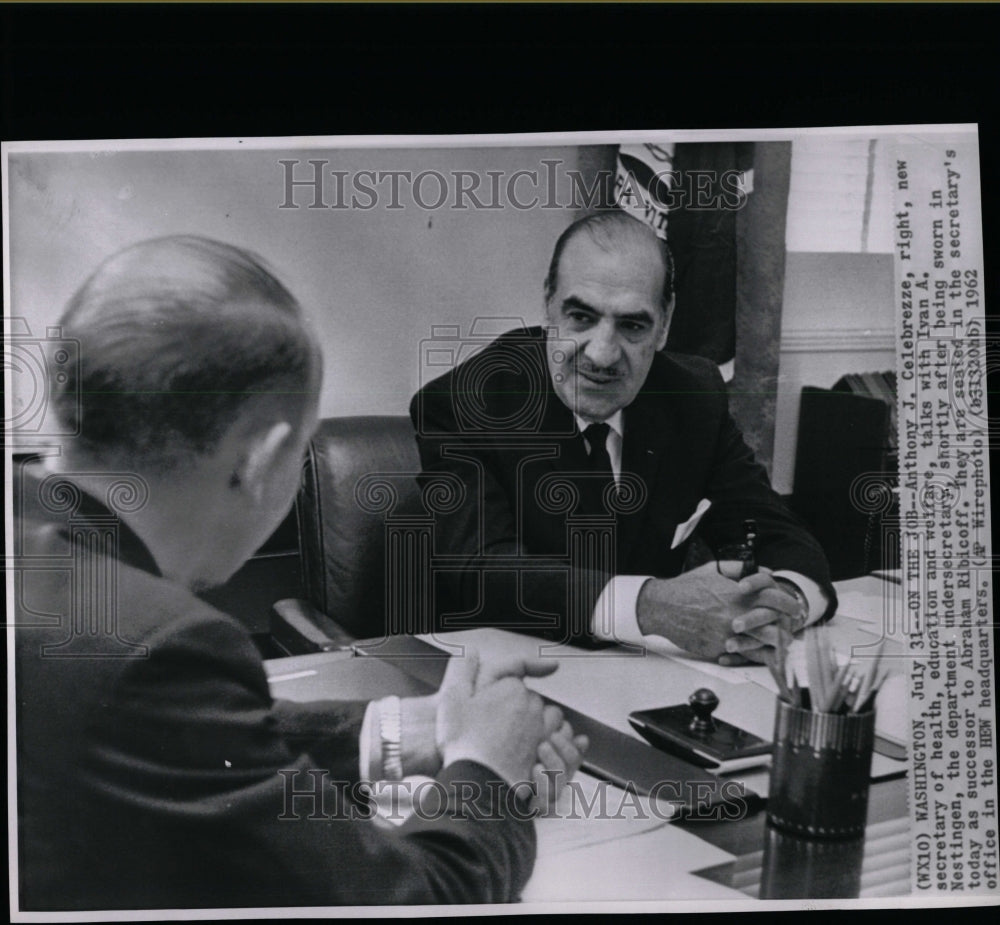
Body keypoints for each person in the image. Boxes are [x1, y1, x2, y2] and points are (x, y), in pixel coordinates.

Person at [11, 236, 586, 911]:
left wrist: (416, 731)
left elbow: (179, 735)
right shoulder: (159, 643)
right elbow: (409, 899)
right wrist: (487, 765)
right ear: (262, 460)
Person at [411, 212, 836, 663]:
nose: (602, 353)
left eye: (632, 326)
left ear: (664, 324)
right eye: (581, 317)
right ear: (547, 305)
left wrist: (782, 605)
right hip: (501, 674)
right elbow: (481, 571)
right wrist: (651, 606)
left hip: (644, 679)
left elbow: (777, 532)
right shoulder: (465, 403)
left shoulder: (692, 396)